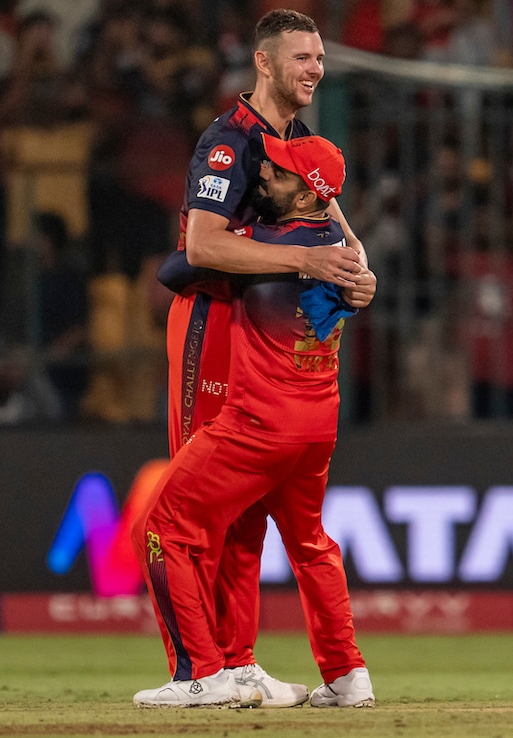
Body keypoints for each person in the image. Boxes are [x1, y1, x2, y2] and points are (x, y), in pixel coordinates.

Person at [131, 8, 369, 709]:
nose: (315, 69)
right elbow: (202, 247)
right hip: (211, 319)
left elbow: (343, 241)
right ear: (263, 63)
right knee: (205, 505)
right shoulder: (229, 141)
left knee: (244, 515)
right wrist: (307, 261)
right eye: (302, 57)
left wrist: (359, 277)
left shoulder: (296, 144)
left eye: (319, 58)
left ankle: (233, 662)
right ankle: (205, 665)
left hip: (261, 331)